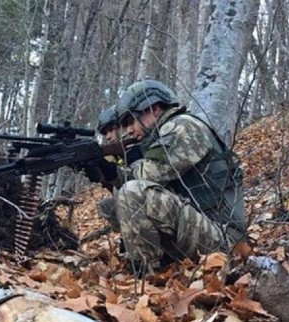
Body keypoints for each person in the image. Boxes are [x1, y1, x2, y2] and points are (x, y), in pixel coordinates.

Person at [99, 79, 246, 274]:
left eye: (130, 121)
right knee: (111, 205)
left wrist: (108, 169)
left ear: (154, 109)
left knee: (132, 193)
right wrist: (105, 174)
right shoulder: (164, 132)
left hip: (227, 240)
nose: (128, 130)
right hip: (205, 226)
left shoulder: (182, 126)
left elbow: (147, 176)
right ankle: (164, 263)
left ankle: (145, 278)